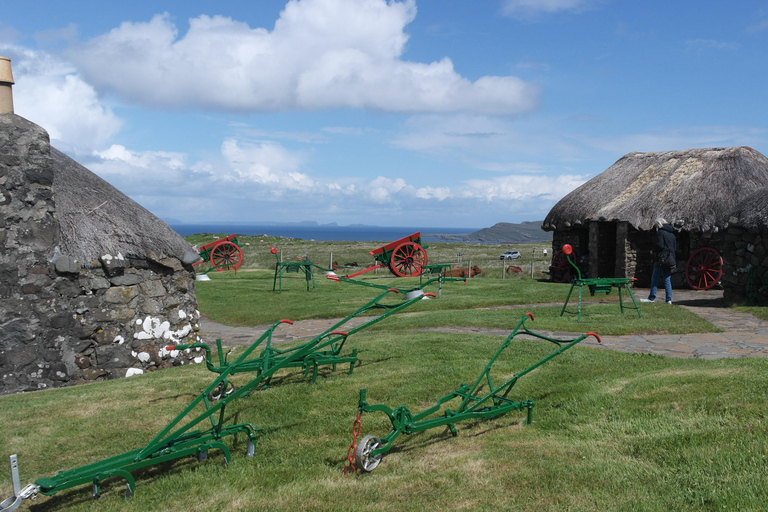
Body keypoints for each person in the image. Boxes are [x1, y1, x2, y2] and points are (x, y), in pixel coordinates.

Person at [642, 218, 677, 304]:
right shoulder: (672, 235)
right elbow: (675, 248)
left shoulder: (660, 233)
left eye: (656, 225)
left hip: (661, 259)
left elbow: (660, 245)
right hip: (670, 259)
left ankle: (651, 298)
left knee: (655, 278)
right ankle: (668, 299)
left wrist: (653, 251)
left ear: (659, 224)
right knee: (667, 279)